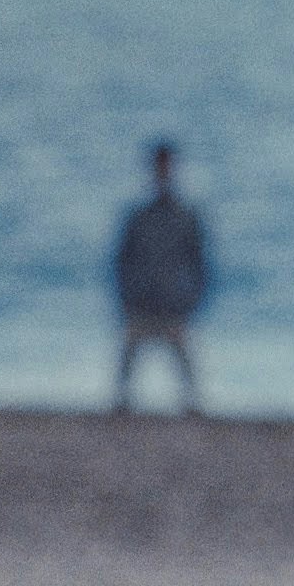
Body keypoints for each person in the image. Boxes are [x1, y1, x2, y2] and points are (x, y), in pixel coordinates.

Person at [111, 143, 208, 413]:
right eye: (159, 166)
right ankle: (121, 407)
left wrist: (190, 301)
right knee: (127, 361)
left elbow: (200, 265)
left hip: (172, 307)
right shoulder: (139, 217)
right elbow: (122, 261)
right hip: (142, 305)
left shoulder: (185, 217)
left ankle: (192, 406)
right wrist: (127, 298)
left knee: (187, 367)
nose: (163, 172)